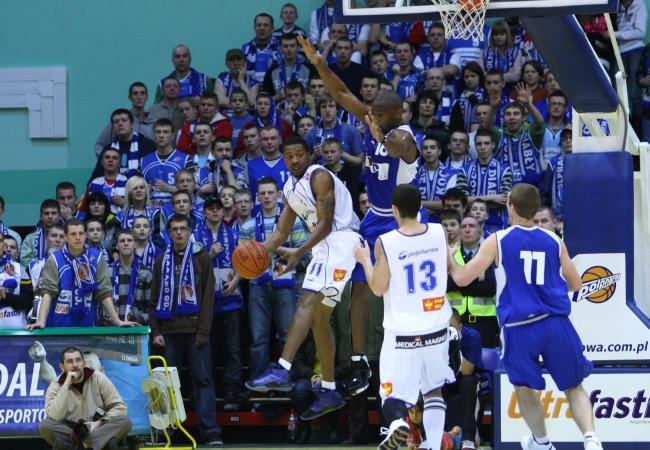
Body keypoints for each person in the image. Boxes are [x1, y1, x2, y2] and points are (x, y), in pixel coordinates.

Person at [298, 34, 422, 396]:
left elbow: (400, 148)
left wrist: (381, 137)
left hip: (402, 220)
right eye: (373, 114)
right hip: (374, 217)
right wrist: (319, 63)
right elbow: (340, 94)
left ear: (397, 114)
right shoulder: (373, 120)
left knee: (403, 287)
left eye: (380, 116)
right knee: (358, 285)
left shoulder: (404, 135)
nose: (373, 119)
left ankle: (424, 338)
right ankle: (358, 360)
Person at [448, 183, 603, 450]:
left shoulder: (498, 240)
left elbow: (462, 278)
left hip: (519, 327)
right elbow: (576, 283)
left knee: (523, 388)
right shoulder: (554, 240)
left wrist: (449, 257)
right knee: (574, 386)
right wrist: (548, 286)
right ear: (535, 209)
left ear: (510, 207)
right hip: (556, 322)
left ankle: (541, 442)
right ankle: (591, 439)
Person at [245, 136, 361, 421]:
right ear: (283, 158)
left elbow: (326, 224)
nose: (295, 159)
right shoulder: (289, 188)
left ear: (309, 155)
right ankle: (330, 389)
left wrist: (298, 252)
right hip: (324, 247)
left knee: (305, 301)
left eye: (299, 154)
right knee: (319, 320)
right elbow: (281, 233)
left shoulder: (319, 177)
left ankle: (282, 369)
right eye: (289, 156)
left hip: (341, 240)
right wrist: (257, 252)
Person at [352, 184, 455, 450]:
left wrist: (364, 260)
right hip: (437, 326)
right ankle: (433, 446)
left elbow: (377, 288)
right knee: (433, 390)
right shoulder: (439, 231)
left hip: (402, 332)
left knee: (391, 392)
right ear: (420, 206)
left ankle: (398, 422)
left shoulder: (386, 242)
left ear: (394, 210)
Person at [148, 214, 222, 446]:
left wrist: (203, 332)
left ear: (190, 231)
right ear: (169, 233)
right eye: (174, 229)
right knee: (166, 384)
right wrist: (156, 331)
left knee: (203, 381)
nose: (179, 233)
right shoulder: (161, 260)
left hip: (195, 331)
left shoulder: (202, 258)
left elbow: (208, 298)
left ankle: (210, 431)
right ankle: (165, 432)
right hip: (168, 333)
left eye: (183, 229)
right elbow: (153, 299)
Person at [238, 177, 305, 379]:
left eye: (270, 193)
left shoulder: (294, 222)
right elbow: (242, 261)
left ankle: (289, 381)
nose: (266, 197)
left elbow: (302, 254)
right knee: (258, 338)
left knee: (287, 335)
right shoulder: (248, 226)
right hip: (257, 284)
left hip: (286, 283)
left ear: (279, 195)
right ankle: (258, 382)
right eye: (262, 193)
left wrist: (268, 248)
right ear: (257, 198)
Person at [25, 219, 136, 329]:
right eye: (73, 234)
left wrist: (117, 321)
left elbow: (104, 292)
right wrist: (41, 321)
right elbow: (48, 292)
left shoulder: (96, 257)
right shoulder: (54, 259)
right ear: (66, 237)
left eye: (81, 233)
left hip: (88, 325)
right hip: (59, 325)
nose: (78, 237)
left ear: (86, 236)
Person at [194, 197, 244, 403]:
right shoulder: (195, 235)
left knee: (233, 347)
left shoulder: (235, 233)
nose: (215, 212)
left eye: (218, 208)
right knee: (208, 347)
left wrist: (236, 282)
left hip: (231, 297)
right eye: (211, 208)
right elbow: (192, 268)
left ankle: (232, 390)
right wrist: (210, 255)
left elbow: (245, 263)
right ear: (204, 212)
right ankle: (210, 390)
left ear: (224, 212)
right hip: (205, 301)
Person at [39, 347, 132, 450]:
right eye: (70, 361)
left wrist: (99, 422)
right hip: (71, 430)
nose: (75, 365)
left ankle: (82, 446)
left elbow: (120, 407)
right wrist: (66, 385)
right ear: (62, 367)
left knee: (124, 421)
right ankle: (91, 444)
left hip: (97, 427)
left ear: (84, 363)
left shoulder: (98, 378)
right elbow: (54, 416)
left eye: (78, 360)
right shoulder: (56, 385)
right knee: (45, 426)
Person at [446, 216, 498, 348]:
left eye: (472, 226)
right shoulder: (450, 254)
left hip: (484, 322)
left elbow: (490, 288)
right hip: (454, 321)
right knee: (454, 359)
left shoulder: (491, 253)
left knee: (484, 360)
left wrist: (459, 281)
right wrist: (476, 279)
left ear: (481, 232)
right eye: (463, 226)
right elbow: (446, 285)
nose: (467, 229)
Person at [443, 309, 483, 450]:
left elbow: (468, 370)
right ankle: (428, 437)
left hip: (464, 379)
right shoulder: (435, 337)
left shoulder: (472, 336)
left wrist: (452, 345)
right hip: (444, 379)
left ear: (460, 326)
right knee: (428, 383)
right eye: (444, 328)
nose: (448, 332)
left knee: (469, 382)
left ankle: (468, 439)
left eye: (451, 327)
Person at [90, 109, 156, 181]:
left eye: (124, 120)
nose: (120, 124)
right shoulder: (108, 150)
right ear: (113, 127)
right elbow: (95, 178)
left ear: (132, 124)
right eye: (116, 122)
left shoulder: (148, 146)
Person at [141, 118, 194, 207]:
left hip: (177, 210)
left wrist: (169, 189)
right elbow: (135, 191)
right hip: (150, 211)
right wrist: (144, 190)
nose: (161, 135)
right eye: (158, 132)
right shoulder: (143, 161)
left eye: (165, 132)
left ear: (172, 136)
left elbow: (191, 191)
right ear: (154, 135)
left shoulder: (186, 159)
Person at [95, 81, 154, 155]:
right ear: (130, 98)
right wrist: (106, 159)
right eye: (135, 93)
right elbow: (99, 145)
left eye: (142, 93)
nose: (139, 97)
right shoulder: (120, 121)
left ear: (147, 97)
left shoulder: (154, 122)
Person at [21, 199, 61, 268]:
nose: (50, 216)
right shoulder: (30, 238)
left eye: (53, 213)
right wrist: (44, 262)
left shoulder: (67, 236)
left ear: (59, 216)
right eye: (46, 213)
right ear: (41, 217)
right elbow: (24, 261)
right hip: (37, 274)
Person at [242, 13, 281, 84]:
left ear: (272, 29)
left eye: (266, 25)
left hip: (274, 88)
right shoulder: (246, 49)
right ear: (254, 28)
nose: (262, 28)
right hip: (250, 88)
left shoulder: (281, 48)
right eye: (259, 25)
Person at [87, 148, 127, 215]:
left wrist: (124, 203)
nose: (110, 160)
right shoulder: (94, 183)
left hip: (120, 220)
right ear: (102, 162)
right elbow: (87, 205)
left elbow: (137, 207)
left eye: (114, 158)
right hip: (99, 220)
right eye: (107, 157)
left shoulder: (127, 182)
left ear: (120, 163)